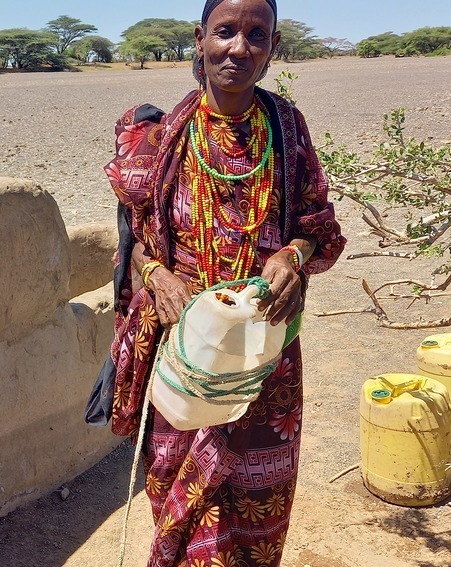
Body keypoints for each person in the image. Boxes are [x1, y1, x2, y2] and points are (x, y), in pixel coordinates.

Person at [104, 0, 346, 565]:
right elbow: (136, 242)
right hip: (185, 345)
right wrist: (156, 272)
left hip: (266, 347)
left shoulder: (287, 127)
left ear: (273, 47)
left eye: (255, 35)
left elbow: (318, 222)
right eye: (225, 32)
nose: (239, 47)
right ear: (200, 39)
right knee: (179, 498)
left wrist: (293, 252)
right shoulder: (160, 139)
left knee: (258, 504)